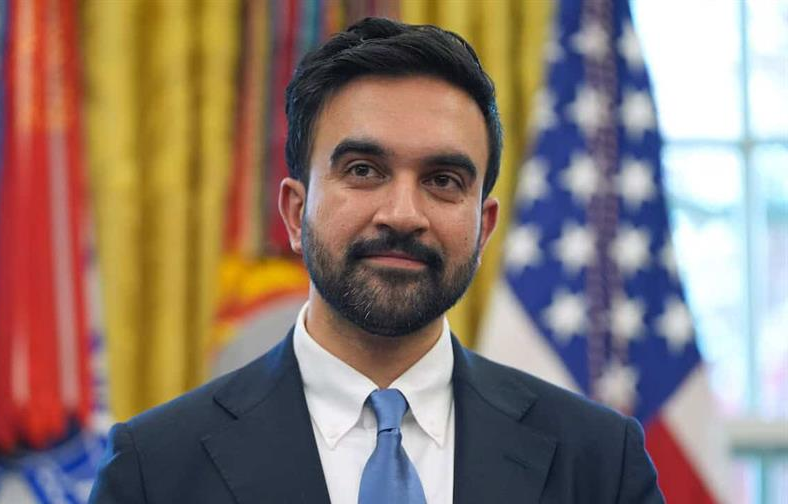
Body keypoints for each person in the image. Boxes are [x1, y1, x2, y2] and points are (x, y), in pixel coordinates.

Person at [89, 17, 663, 504]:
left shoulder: (599, 463)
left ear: (483, 227)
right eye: (364, 170)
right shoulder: (154, 469)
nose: (403, 214)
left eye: (443, 180)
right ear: (295, 212)